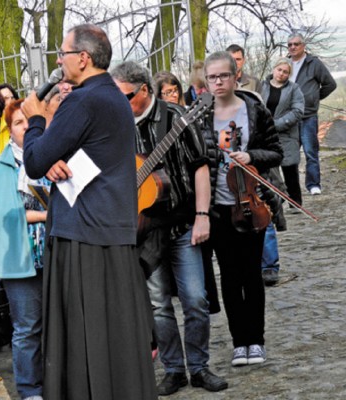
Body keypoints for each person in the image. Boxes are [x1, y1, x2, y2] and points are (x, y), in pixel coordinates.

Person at [21, 24, 157, 399]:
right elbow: (86, 153)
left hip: (83, 234)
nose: (59, 61)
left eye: (63, 53)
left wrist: (35, 117)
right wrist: (53, 160)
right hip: (111, 228)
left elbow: (33, 160)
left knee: (85, 335)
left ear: (83, 58)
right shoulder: (113, 97)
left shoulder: (82, 100)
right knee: (115, 335)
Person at [111, 61, 226, 396]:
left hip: (182, 225)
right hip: (143, 229)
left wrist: (203, 215)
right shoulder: (118, 126)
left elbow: (200, 168)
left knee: (195, 299)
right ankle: (174, 370)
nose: (122, 104)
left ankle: (200, 368)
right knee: (158, 305)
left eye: (127, 96)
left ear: (144, 89)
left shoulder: (177, 117)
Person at [201, 51, 282, 367]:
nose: (218, 81)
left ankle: (256, 340)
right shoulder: (202, 116)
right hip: (218, 205)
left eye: (223, 75)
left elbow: (275, 152)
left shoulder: (255, 111)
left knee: (251, 273)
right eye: (212, 77)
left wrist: (252, 157)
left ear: (236, 76)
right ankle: (239, 342)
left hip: (251, 202)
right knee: (229, 276)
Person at [0, 99, 48, 400]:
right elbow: (2, 212)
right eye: (19, 122)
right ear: (10, 129)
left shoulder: (51, 157)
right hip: (18, 259)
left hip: (55, 253)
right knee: (27, 328)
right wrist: (48, 214)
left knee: (56, 325)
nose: (26, 127)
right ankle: (30, 390)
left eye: (31, 122)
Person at [259, 58, 305, 286]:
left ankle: (293, 202)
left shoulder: (294, 89)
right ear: (273, 70)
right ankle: (278, 202)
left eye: (286, 72)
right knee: (271, 177)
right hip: (265, 139)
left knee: (289, 170)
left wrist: (277, 124)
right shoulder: (262, 86)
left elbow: (298, 111)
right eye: (279, 70)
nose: (282, 74)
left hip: (284, 135)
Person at [287, 33, 336, 195]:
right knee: (290, 154)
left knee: (310, 152)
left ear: (303, 45)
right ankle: (291, 189)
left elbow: (330, 84)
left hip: (308, 116)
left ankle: (313, 184)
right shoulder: (285, 64)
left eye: (296, 44)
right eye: (290, 45)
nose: (293, 47)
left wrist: (315, 98)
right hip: (289, 117)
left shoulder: (313, 63)